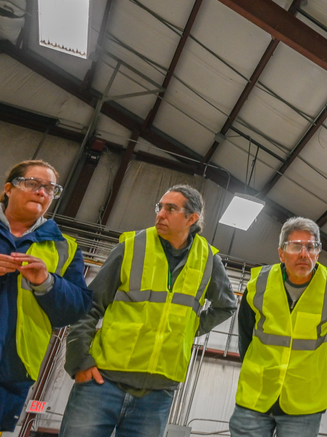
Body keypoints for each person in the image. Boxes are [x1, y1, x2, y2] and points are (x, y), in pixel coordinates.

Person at [59, 184, 236, 437]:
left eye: (171, 209)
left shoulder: (208, 259)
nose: (160, 214)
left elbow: (227, 305)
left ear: (192, 218)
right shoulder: (131, 246)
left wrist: (188, 329)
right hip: (102, 382)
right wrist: (79, 361)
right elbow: (90, 304)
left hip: (158, 393)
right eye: (160, 207)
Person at [0, 160, 92, 437]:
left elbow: (77, 308)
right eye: (33, 184)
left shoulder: (64, 248)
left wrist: (46, 282)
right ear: (9, 188)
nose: (42, 192)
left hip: (5, 374)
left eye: (50, 188)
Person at [229, 217, 327, 437]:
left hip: (304, 403)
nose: (304, 253)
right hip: (256, 396)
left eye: (310, 247)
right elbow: (246, 334)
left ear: (318, 253)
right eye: (295, 246)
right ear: (281, 253)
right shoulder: (259, 284)